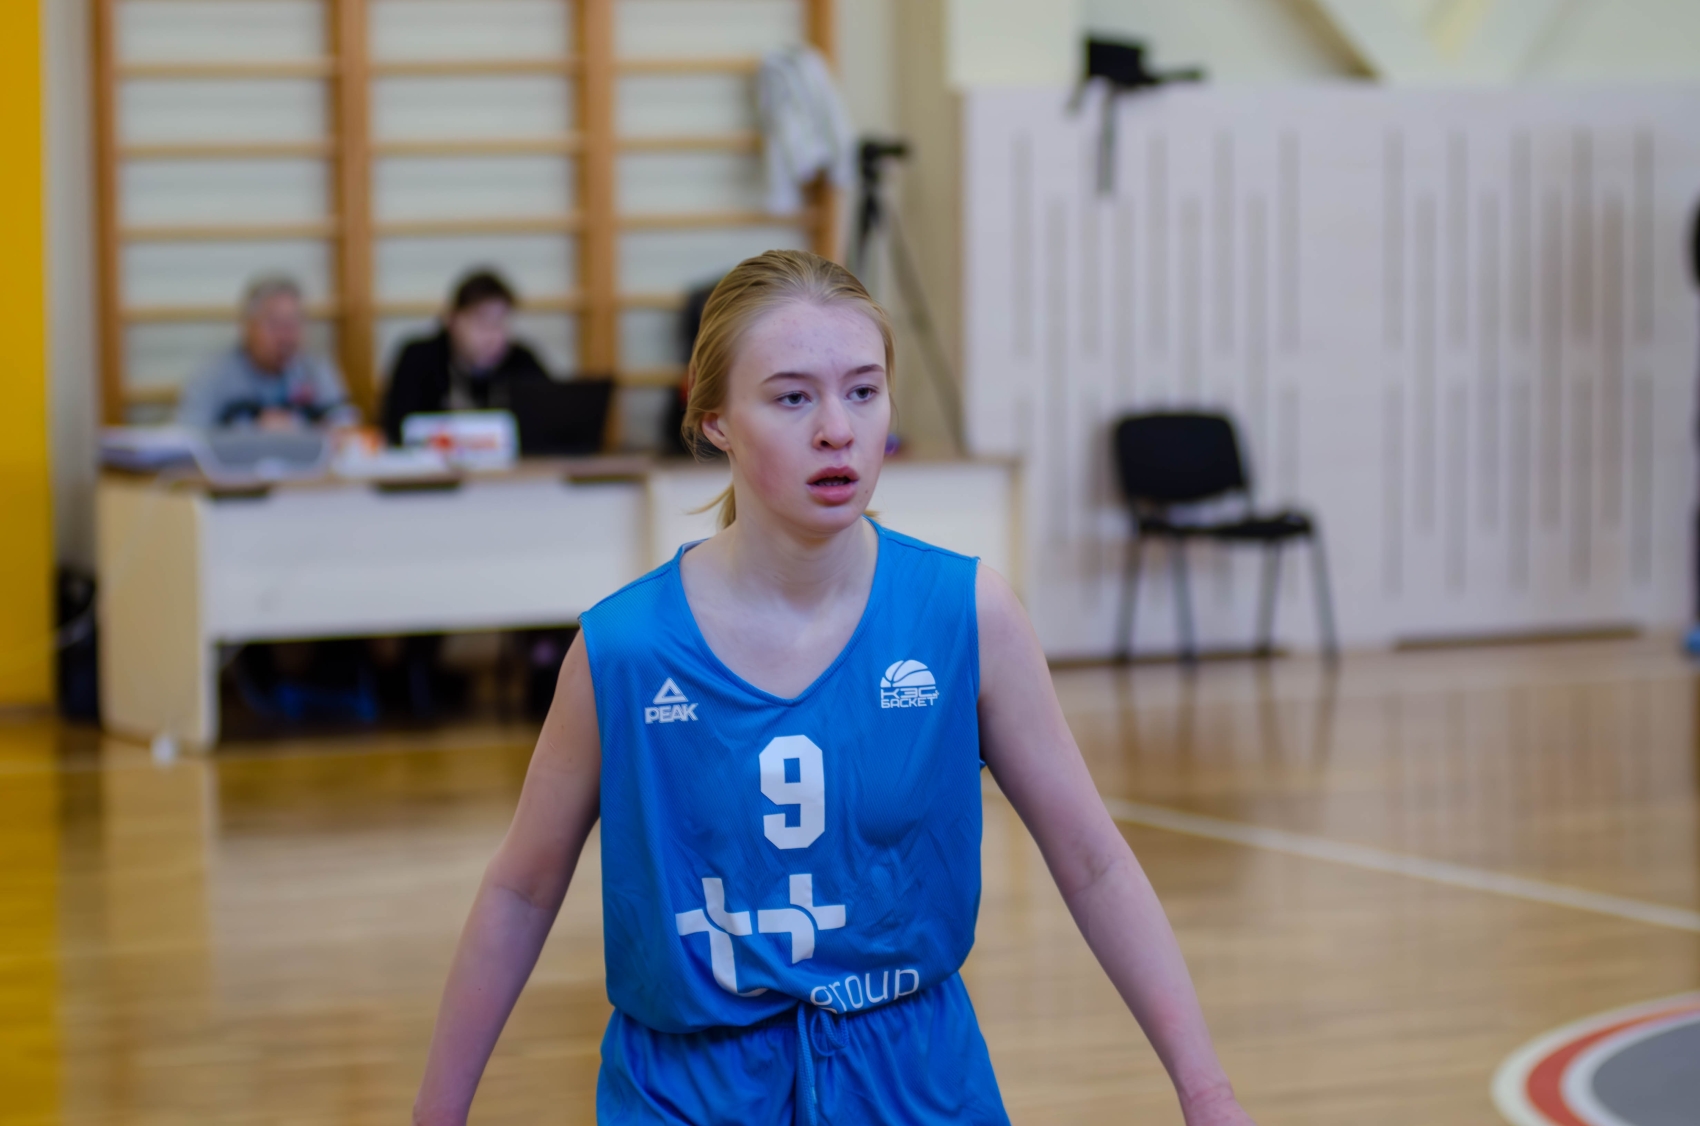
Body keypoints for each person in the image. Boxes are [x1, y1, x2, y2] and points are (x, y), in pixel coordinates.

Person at [413, 250, 1255, 1126]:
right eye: (792, 398)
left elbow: (1095, 862)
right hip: (688, 1093)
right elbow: (520, 892)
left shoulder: (966, 614)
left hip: (916, 1082)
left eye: (862, 391)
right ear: (714, 420)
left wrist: (1208, 1094)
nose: (836, 430)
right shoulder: (624, 649)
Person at [380, 269, 550, 445]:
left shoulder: (522, 362)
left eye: (500, 322)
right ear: (452, 320)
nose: (492, 334)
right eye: (481, 321)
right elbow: (396, 427)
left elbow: (550, 422)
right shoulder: (419, 358)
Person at [177, 274, 357, 430]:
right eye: (275, 324)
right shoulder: (214, 374)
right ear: (247, 326)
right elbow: (188, 436)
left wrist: (301, 430)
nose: (285, 336)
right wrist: (254, 432)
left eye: (293, 323)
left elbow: (346, 426)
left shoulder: (314, 369)